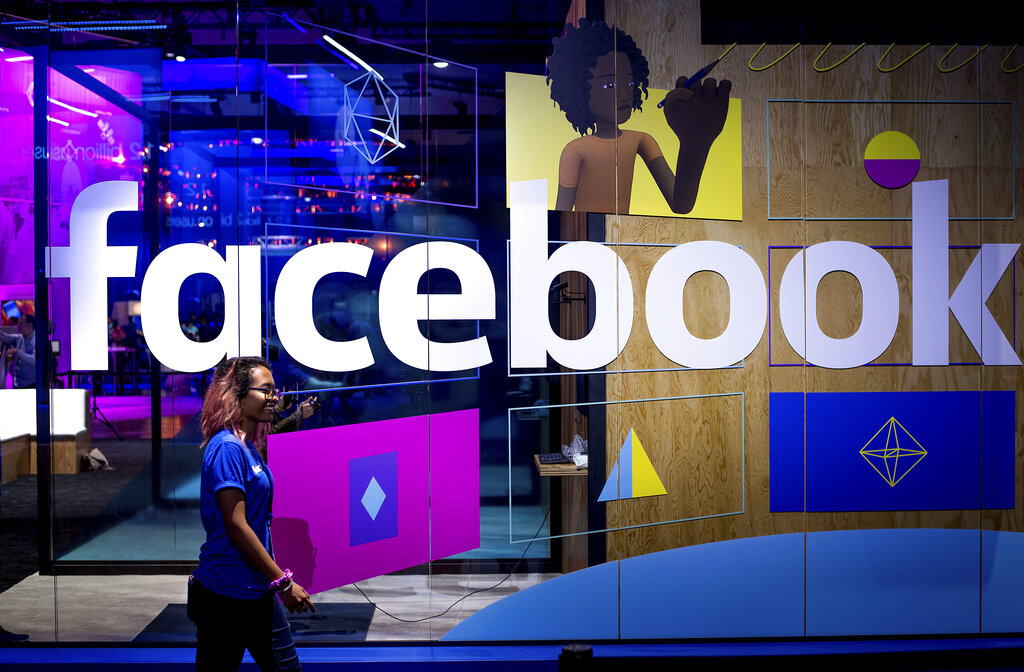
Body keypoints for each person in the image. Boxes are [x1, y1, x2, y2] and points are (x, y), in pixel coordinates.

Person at [188, 356, 314, 671]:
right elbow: (236, 525)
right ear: (239, 395)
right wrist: (283, 582)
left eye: (275, 390)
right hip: (224, 594)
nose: (274, 397)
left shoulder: (245, 445)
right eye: (266, 390)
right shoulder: (227, 447)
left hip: (256, 590)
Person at [547, 19, 731, 215]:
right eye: (610, 85)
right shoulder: (574, 151)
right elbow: (562, 214)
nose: (626, 95)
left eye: (630, 84)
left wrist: (695, 142)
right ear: (577, 91)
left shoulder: (642, 140)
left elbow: (681, 205)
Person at [0, 314, 36, 388]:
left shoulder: (36, 340)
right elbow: (5, 337)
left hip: (32, 384)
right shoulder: (20, 337)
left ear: (30, 325)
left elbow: (34, 360)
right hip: (19, 383)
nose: (18, 326)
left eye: (21, 323)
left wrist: (18, 352)